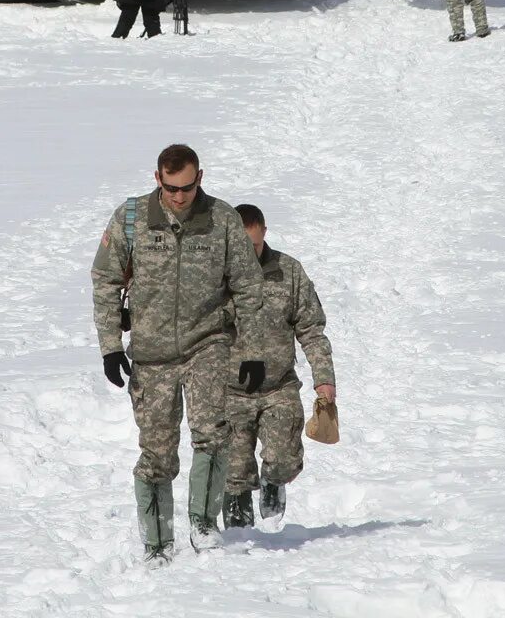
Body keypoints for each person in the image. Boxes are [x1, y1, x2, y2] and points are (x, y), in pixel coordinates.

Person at [91, 144, 266, 562]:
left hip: (207, 343)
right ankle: (157, 541)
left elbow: (248, 286)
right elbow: (104, 280)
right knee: (156, 451)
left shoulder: (222, 219)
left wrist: (253, 351)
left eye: (186, 187)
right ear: (157, 179)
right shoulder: (131, 219)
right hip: (151, 355)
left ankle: (205, 524)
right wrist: (111, 345)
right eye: (170, 188)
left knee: (211, 432)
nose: (178, 196)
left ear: (199, 178)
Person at [222, 204, 335, 532]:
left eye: (254, 246)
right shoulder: (214, 278)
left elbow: (312, 329)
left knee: (284, 460)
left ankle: (273, 484)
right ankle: (240, 540)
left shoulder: (289, 272)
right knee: (234, 473)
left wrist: (324, 379)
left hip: (277, 386)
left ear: (265, 235)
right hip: (229, 389)